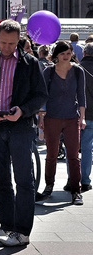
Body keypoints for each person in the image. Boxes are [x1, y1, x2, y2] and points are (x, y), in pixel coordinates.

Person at [0, 19, 47, 248]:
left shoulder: (30, 63)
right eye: (4, 43)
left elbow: (41, 95)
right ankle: (6, 225)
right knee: (1, 180)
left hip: (20, 126)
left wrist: (23, 111)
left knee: (24, 180)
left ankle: (22, 231)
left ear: (19, 40)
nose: (7, 48)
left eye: (12, 44)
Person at [37, 40, 86, 205]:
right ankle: (48, 186)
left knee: (73, 156)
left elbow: (81, 96)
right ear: (56, 55)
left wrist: (83, 117)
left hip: (72, 117)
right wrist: (41, 117)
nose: (66, 56)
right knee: (51, 155)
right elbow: (42, 95)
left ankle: (76, 190)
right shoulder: (48, 72)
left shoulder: (78, 71)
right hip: (52, 117)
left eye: (69, 53)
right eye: (63, 53)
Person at [80, 43, 93, 194]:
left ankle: (72, 179)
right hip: (91, 115)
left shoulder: (76, 69)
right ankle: (85, 180)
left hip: (76, 114)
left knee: (71, 149)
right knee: (87, 148)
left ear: (84, 53)